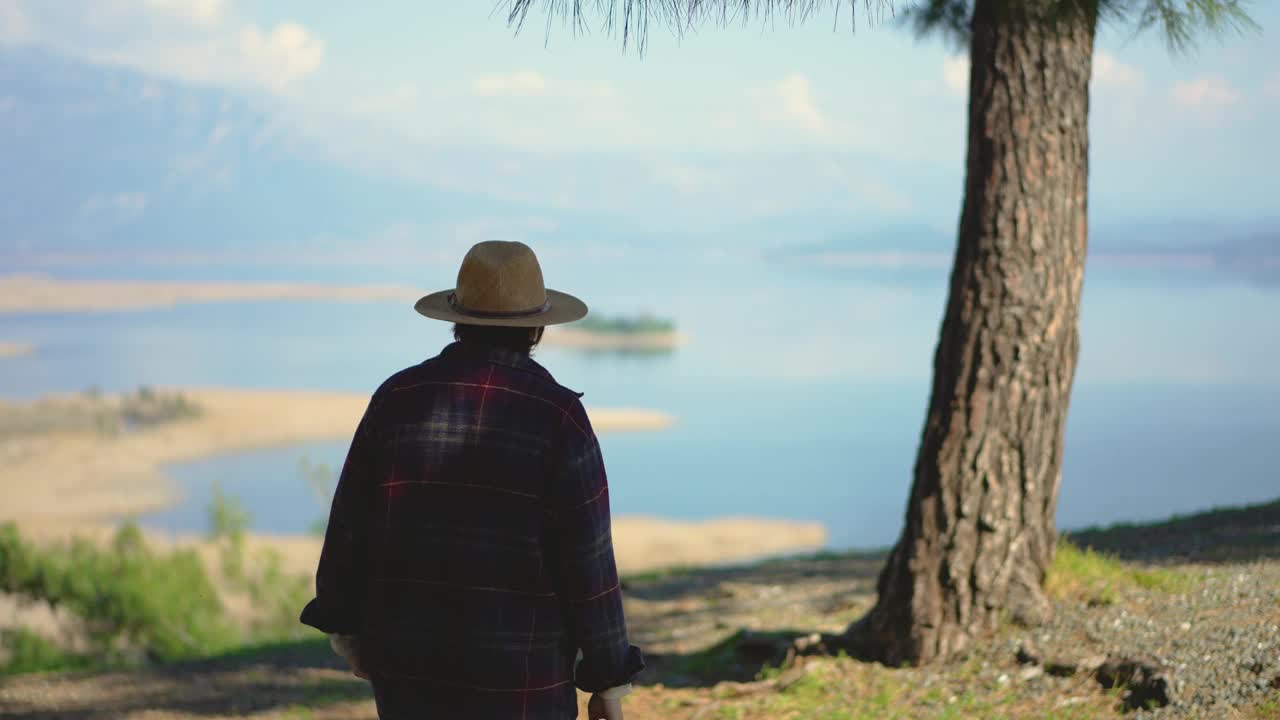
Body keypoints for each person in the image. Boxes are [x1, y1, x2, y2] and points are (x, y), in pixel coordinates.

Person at [300, 240, 645, 719]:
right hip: (524, 680)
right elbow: (588, 565)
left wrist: (347, 631)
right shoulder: (559, 416)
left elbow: (349, 527)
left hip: (408, 670)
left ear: (457, 319)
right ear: (537, 328)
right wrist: (608, 679)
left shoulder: (396, 397)